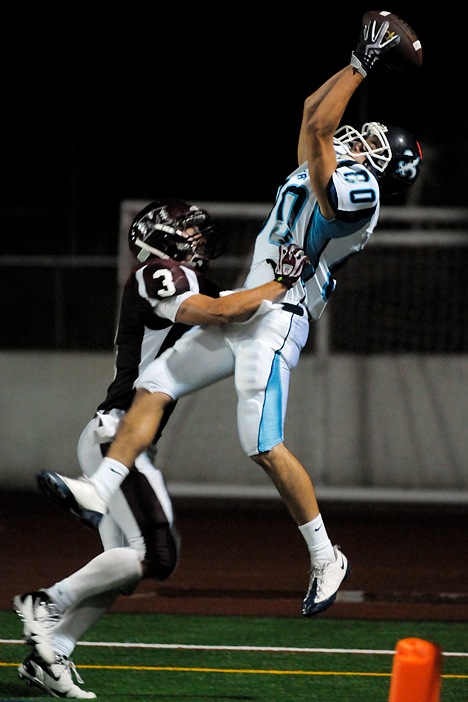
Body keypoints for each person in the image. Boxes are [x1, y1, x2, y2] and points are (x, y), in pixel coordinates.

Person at [29, 8, 422, 640]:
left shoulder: (359, 198)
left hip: (280, 319)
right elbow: (310, 110)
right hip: (255, 302)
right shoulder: (329, 166)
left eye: (373, 144)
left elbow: (323, 126)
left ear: (383, 171)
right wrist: (354, 62)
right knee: (157, 380)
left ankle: (326, 554)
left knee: (261, 444)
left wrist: (365, 63)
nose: (358, 138)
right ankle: (101, 488)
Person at [13, 198, 309, 699]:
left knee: (122, 568)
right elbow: (220, 311)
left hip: (121, 434)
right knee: (159, 554)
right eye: (188, 231)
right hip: (119, 433)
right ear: (162, 238)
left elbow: (239, 309)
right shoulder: (155, 273)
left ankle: (54, 651)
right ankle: (47, 603)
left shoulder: (186, 277)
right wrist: (282, 280)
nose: (198, 239)